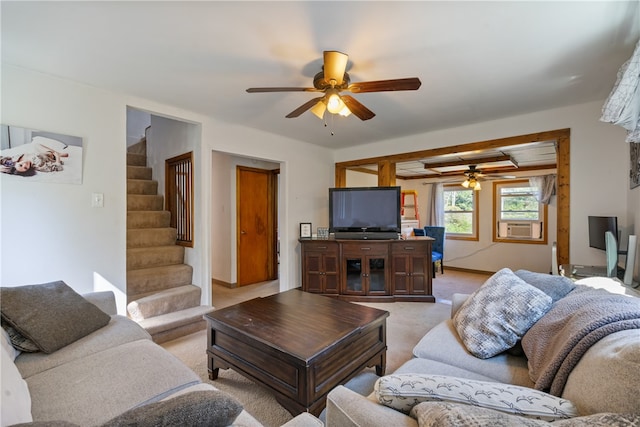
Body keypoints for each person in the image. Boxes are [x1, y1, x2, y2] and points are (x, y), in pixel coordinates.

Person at [0, 143, 68, 176]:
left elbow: (3, 159)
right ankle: (59, 154)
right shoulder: (38, 165)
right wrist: (57, 157)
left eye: (21, 165)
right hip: (51, 155)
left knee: (36, 145)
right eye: (26, 168)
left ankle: (59, 153)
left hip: (39, 153)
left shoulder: (15, 159)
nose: (25, 164)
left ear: (16, 163)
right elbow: (58, 167)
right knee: (42, 151)